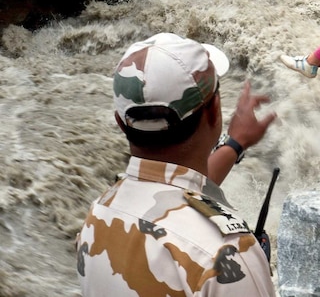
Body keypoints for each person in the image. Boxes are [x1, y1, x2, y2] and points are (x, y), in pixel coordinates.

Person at [76, 32, 278, 296]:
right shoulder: (227, 256)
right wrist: (255, 270)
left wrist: (236, 144)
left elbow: (175, 189)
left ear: (120, 122)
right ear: (216, 110)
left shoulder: (98, 216)